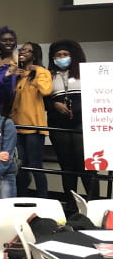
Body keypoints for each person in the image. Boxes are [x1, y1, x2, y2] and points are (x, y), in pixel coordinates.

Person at [47, 40, 99, 207]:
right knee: (67, 167)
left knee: (86, 166)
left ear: (73, 56)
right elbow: (41, 100)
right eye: (58, 55)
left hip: (81, 125)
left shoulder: (85, 74)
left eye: (65, 54)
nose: (61, 58)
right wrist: (54, 104)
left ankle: (94, 204)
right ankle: (70, 205)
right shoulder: (49, 75)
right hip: (58, 126)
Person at [10, 42, 52, 198]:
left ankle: (44, 198)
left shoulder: (42, 72)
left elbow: (46, 90)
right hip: (16, 127)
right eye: (22, 50)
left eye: (28, 51)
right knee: (19, 165)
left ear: (35, 55)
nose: (23, 52)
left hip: (34, 128)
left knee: (35, 165)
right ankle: (21, 197)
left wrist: (38, 70)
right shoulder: (19, 75)